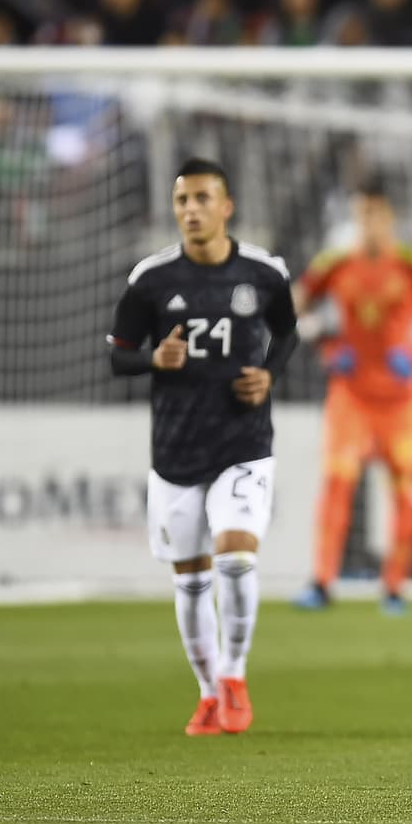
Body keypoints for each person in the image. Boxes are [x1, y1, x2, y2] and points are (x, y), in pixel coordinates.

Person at [107, 158, 298, 737]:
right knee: (190, 580)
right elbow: (119, 355)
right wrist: (152, 359)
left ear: (226, 206)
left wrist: (269, 375)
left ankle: (234, 676)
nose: (191, 209)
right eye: (182, 200)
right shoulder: (151, 279)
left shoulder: (264, 273)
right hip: (176, 449)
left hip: (243, 441)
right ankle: (208, 691)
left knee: (236, 557)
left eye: (202, 198)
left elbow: (287, 332)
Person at [291, 175, 412, 614]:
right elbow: (293, 302)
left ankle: (395, 588)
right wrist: (323, 339)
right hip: (351, 396)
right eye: (362, 214)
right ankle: (322, 582)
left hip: (401, 398)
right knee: (337, 485)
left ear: (390, 217)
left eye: (376, 214)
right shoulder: (336, 263)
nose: (369, 223)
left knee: (404, 494)